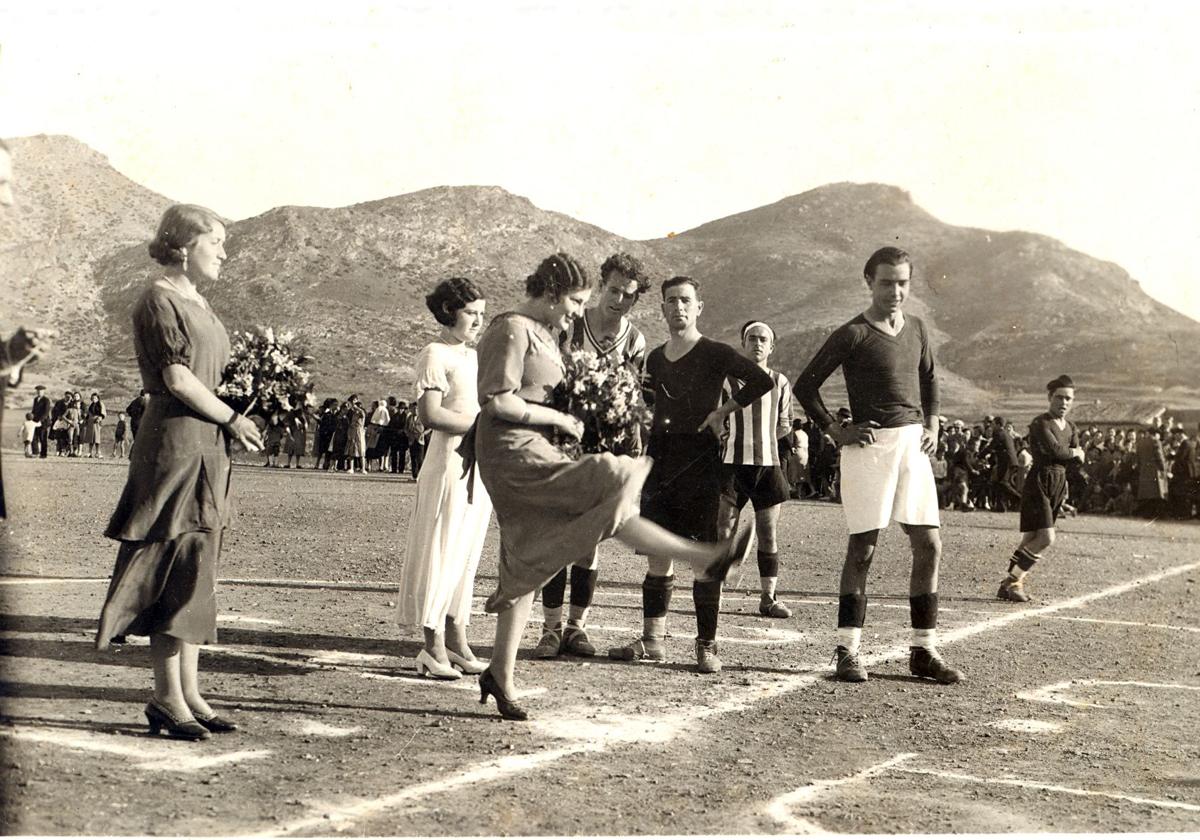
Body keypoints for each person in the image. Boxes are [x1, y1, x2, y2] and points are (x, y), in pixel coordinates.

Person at [472, 253, 750, 720]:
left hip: (539, 445)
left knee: (525, 558)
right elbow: (497, 400)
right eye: (575, 301)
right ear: (551, 292)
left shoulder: (544, 331)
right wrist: (559, 417)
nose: (578, 311)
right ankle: (704, 556)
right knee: (612, 479)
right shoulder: (510, 328)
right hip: (513, 451)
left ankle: (500, 674)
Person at [95, 204, 263, 740]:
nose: (224, 252)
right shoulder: (159, 298)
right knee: (171, 560)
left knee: (197, 563)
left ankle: (190, 693)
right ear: (185, 246)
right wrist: (233, 417)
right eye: (216, 241)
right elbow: (177, 378)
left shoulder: (197, 301)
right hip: (175, 442)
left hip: (207, 443)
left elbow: (205, 379)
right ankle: (167, 697)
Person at [794, 246, 962, 685]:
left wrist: (933, 426)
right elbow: (806, 385)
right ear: (869, 282)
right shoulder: (852, 333)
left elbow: (929, 380)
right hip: (870, 448)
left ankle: (923, 649)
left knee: (930, 545)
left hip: (912, 446)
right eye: (887, 282)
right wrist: (835, 429)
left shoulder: (920, 329)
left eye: (903, 282)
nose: (896, 291)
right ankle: (847, 650)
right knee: (864, 549)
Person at [607, 275, 773, 674]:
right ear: (662, 308)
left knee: (703, 557)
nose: (678, 307)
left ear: (699, 307)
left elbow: (760, 379)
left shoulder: (715, 352)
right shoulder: (656, 358)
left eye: (685, 300)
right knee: (658, 555)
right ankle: (652, 641)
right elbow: (646, 406)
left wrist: (722, 411)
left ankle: (706, 646)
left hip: (701, 461)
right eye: (671, 301)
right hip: (661, 459)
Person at [533, 252, 651, 660]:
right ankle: (549, 628)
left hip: (607, 446)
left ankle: (576, 628)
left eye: (629, 296)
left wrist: (633, 448)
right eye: (614, 290)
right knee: (558, 533)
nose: (619, 300)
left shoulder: (635, 340)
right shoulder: (572, 326)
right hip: (563, 439)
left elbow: (633, 397)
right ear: (602, 286)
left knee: (589, 540)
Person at [397, 278, 494, 679]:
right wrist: (480, 426)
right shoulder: (434, 354)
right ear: (449, 311)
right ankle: (431, 646)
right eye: (471, 312)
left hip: (478, 466)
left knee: (466, 553)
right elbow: (430, 415)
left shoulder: (474, 357)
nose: (478, 321)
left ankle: (456, 640)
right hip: (448, 465)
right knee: (441, 548)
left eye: (482, 314)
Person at [716, 320, 795, 619]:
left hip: (767, 465)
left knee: (767, 531)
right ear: (743, 343)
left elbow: (785, 423)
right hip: (732, 465)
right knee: (724, 528)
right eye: (752, 338)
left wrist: (762, 442)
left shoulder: (781, 382)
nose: (757, 343)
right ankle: (716, 594)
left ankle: (768, 598)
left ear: (772, 347)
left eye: (763, 339)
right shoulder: (727, 381)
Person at [997, 376, 1085, 602]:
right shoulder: (1040, 423)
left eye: (1069, 399)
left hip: (1059, 482)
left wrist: (1073, 456)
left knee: (1032, 537)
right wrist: (1075, 453)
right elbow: (1057, 451)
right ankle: (1013, 581)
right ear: (1049, 397)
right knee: (1046, 538)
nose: (1064, 402)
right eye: (1059, 397)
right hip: (1039, 481)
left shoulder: (1071, 427)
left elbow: (1073, 458)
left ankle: (1008, 584)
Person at [83, 392, 107, 458]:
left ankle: (98, 452)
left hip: (97, 421)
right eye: (93, 398)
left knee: (97, 437)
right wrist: (86, 420)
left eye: (95, 398)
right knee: (91, 438)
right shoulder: (91, 405)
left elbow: (103, 413)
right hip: (90, 422)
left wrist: (100, 418)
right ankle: (89, 452)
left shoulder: (100, 404)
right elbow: (88, 413)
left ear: (98, 398)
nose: (94, 399)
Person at [31, 384, 52, 458]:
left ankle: (43, 454)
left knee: (43, 438)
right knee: (34, 437)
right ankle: (35, 452)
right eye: (38, 391)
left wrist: (40, 421)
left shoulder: (46, 400)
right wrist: (31, 419)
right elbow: (33, 410)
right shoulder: (35, 399)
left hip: (44, 422)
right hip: (35, 421)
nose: (39, 392)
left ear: (43, 392)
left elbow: (46, 412)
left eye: (41, 391)